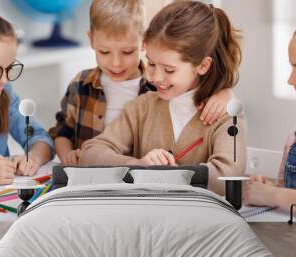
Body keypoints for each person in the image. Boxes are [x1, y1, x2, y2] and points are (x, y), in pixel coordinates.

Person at [80, 1, 246, 195]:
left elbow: (228, 178)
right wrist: (138, 165)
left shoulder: (227, 115)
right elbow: (90, 153)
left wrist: (167, 176)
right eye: (150, 64)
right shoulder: (142, 107)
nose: (155, 77)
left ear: (202, 65)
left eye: (169, 69)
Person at [49, 0, 234, 166]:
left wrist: (225, 93)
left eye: (127, 52)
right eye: (104, 52)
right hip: (89, 175)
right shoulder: (83, 84)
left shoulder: (158, 89)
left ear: (143, 42)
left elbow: (193, 93)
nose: (116, 63)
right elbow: (63, 130)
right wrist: (68, 157)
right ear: (91, 40)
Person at [245, 16, 296, 217]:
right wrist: (267, 188)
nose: (290, 79)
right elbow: (287, 193)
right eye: (292, 68)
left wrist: (273, 195)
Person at [0, 9, 54, 186]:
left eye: (9, 68)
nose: (4, 79)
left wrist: (32, 158)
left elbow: (42, 139)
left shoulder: (5, 94)